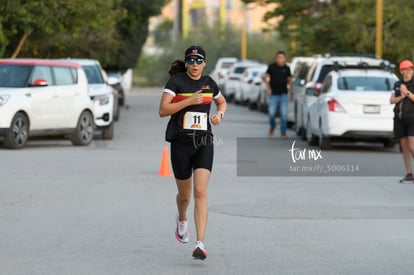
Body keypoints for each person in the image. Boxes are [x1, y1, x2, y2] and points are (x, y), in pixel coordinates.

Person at [158, 45, 227, 260]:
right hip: (180, 143)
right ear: (186, 62)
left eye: (199, 61)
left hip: (204, 141)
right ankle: (182, 218)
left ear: (205, 63)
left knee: (200, 191)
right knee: (185, 195)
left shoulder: (210, 83)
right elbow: (162, 110)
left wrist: (219, 115)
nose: (195, 64)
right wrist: (189, 101)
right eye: (192, 60)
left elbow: (221, 102)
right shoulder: (176, 82)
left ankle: (200, 243)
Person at [390, 60, 414, 183]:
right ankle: (409, 174)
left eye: (410, 69)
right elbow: (391, 100)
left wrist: (407, 93)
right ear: (401, 71)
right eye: (405, 69)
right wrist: (401, 96)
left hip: (412, 118)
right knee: (404, 148)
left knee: (412, 146)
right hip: (399, 118)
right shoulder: (397, 84)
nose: (408, 71)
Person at [264, 51, 293, 137]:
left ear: (284, 59)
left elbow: (290, 80)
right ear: (276, 58)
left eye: (282, 57)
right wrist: (268, 89)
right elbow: (265, 77)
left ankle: (283, 132)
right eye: (279, 57)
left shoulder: (287, 68)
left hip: (284, 94)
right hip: (273, 95)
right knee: (271, 113)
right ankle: (272, 126)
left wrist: (291, 93)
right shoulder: (271, 67)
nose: (280, 59)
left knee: (284, 114)